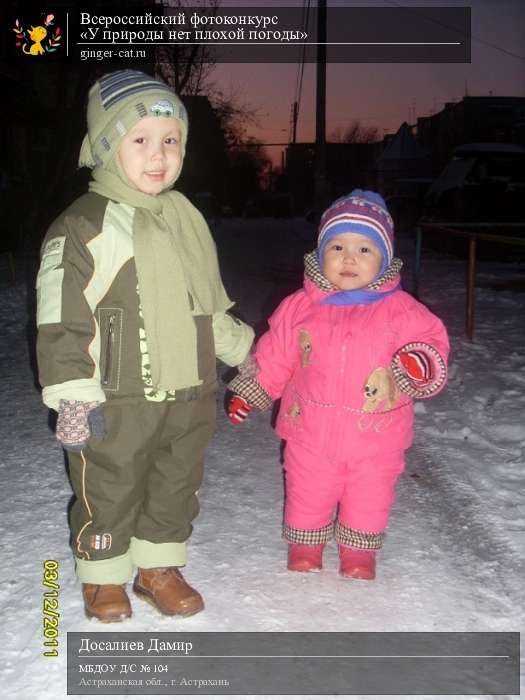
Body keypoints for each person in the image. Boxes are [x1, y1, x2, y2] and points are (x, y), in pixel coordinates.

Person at [36, 70, 253, 622]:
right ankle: (103, 573)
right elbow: (61, 314)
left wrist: (242, 349)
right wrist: (72, 393)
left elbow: (203, 298)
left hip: (189, 388)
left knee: (176, 482)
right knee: (110, 482)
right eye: (140, 140)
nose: (158, 156)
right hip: (116, 393)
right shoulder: (83, 225)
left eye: (170, 140)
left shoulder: (184, 218)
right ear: (108, 146)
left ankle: (158, 568)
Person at [227, 190, 448, 580]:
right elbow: (275, 355)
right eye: (338, 246)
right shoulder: (299, 307)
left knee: (370, 493)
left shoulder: (404, 311)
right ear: (320, 253)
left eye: (365, 249)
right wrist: (251, 391)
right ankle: (306, 543)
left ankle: (358, 552)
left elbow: (432, 346)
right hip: (309, 428)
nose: (349, 258)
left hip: (377, 434)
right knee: (307, 486)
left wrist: (419, 363)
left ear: (383, 258)